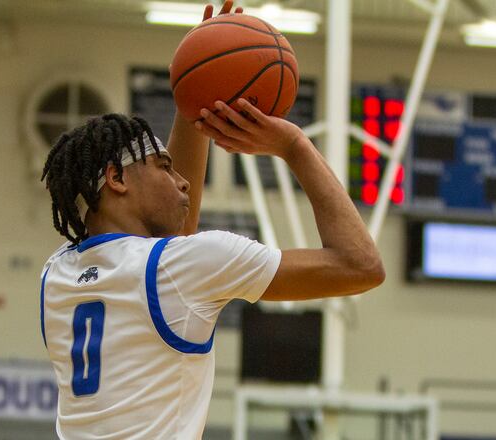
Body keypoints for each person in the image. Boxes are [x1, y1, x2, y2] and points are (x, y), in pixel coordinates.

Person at [39, 2, 384, 438]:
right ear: (117, 178)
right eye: (163, 167)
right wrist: (294, 144)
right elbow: (361, 265)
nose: (182, 182)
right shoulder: (186, 268)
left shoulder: (57, 275)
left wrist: (195, 98)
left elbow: (170, 250)